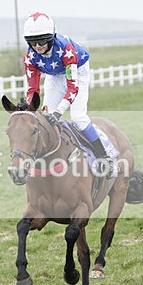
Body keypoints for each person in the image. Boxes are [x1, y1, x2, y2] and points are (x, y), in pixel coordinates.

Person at [21, 11, 117, 178]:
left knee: (78, 117)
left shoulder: (67, 50)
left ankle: (105, 158)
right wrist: (31, 110)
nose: (37, 46)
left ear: (51, 37)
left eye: (42, 40)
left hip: (77, 72)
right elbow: (33, 90)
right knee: (46, 117)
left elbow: (72, 88)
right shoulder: (30, 57)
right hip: (54, 76)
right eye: (32, 42)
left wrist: (58, 113)